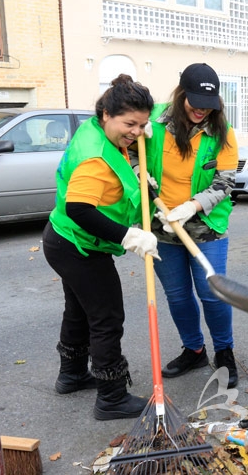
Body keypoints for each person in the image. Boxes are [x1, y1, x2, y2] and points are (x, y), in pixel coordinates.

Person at [43, 74, 159, 421]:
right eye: (130, 124)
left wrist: (139, 139)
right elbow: (80, 209)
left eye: (142, 124)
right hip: (77, 244)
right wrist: (130, 236)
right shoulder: (94, 156)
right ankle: (111, 397)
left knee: (79, 311)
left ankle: (72, 375)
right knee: (107, 316)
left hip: (62, 238)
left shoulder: (96, 129)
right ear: (107, 113)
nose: (136, 132)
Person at [140, 63, 240, 388]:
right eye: (194, 101)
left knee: (211, 294)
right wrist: (137, 171)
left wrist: (192, 206)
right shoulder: (152, 119)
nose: (200, 110)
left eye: (207, 105)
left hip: (205, 224)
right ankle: (194, 349)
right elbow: (123, 143)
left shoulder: (222, 133)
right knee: (178, 295)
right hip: (161, 222)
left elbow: (225, 181)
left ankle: (224, 352)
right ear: (181, 93)